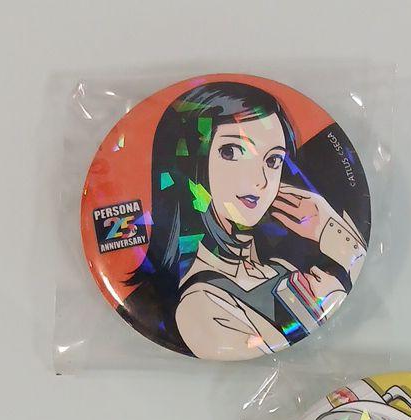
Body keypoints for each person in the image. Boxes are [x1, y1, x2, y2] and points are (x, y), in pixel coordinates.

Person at [124, 81, 366, 360]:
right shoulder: (199, 304)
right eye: (231, 152)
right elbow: (280, 354)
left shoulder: (278, 268)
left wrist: (326, 226)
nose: (260, 180)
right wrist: (330, 295)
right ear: (188, 162)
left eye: (273, 161)